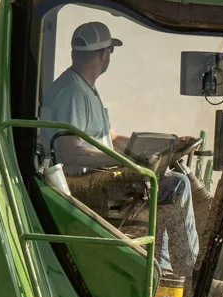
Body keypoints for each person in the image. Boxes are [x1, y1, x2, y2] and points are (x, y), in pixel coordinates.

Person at [40, 21, 199, 281]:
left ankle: (166, 268)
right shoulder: (71, 93)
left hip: (96, 177)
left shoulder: (85, 88)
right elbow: (70, 152)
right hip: (84, 185)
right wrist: (127, 162)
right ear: (104, 55)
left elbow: (109, 137)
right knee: (176, 185)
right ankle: (187, 272)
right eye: (110, 53)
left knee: (160, 180)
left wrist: (161, 146)